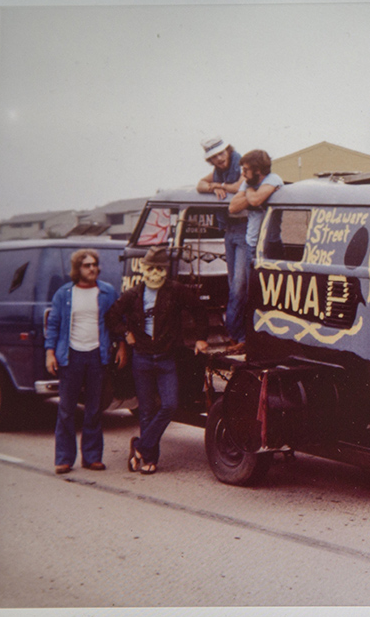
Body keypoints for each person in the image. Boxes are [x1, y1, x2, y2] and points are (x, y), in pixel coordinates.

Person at [106, 246, 208, 475]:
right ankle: (149, 460)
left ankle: (140, 446)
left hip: (166, 358)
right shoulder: (133, 294)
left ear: (166, 270)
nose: (154, 273)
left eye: (159, 269)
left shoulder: (176, 291)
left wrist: (201, 338)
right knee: (146, 410)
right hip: (141, 358)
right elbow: (111, 317)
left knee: (170, 405)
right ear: (143, 269)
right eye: (150, 268)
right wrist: (125, 333)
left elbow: (199, 309)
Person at [45, 249, 127, 475]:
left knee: (94, 409)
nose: (92, 269)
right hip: (70, 356)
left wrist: (121, 346)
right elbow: (53, 325)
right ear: (77, 269)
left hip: (97, 356)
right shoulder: (64, 294)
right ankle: (64, 459)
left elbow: (117, 321)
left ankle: (92, 457)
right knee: (66, 409)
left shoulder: (107, 292)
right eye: (87, 265)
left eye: (94, 265)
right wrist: (50, 353)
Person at [227, 149, 284, 354]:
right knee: (240, 290)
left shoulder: (273, 179)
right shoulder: (249, 182)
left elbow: (256, 200)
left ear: (258, 170)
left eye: (246, 170)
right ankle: (238, 336)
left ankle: (257, 339)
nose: (242, 174)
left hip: (270, 247)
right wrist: (251, 193)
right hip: (251, 246)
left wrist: (249, 193)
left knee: (263, 294)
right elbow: (233, 207)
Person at [196, 136, 248, 350]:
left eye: (221, 153)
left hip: (245, 228)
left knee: (239, 286)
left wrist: (219, 185)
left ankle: (236, 333)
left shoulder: (242, 163)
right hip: (230, 230)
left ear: (228, 150)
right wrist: (213, 187)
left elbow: (239, 186)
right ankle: (239, 335)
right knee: (232, 284)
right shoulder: (218, 171)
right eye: (214, 157)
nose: (218, 159)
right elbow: (200, 185)